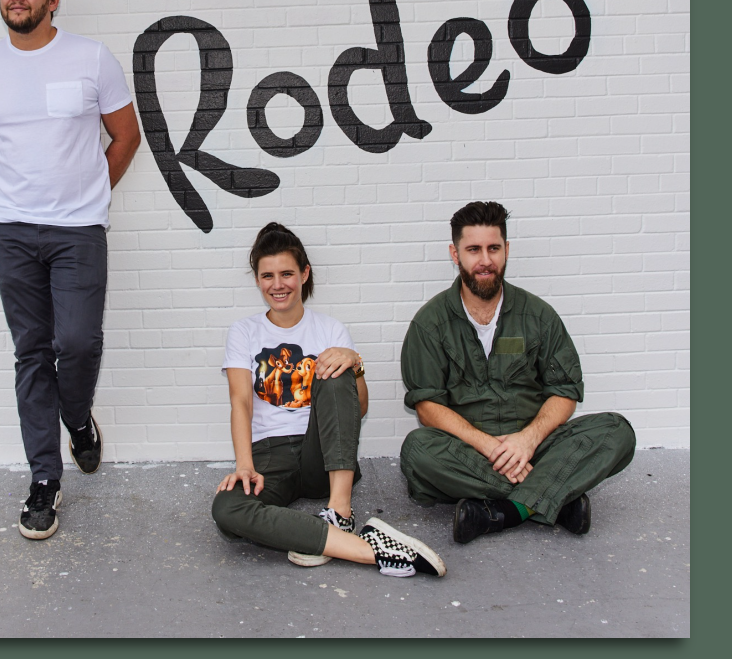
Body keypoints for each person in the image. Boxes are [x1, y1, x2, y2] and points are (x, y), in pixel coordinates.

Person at [0, 0, 141, 540]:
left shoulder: (91, 58)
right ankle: (44, 483)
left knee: (77, 343)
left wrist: (93, 192)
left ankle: (77, 419)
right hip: (11, 233)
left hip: (80, 230)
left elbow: (126, 134)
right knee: (32, 353)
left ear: (53, 0)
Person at [210, 223, 446, 578]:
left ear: (304, 274)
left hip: (320, 454)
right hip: (268, 456)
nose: (278, 285)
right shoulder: (244, 331)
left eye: (287, 273)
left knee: (337, 367)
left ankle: (340, 510)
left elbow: (358, 408)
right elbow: (240, 401)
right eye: (267, 275)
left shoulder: (330, 329)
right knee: (227, 512)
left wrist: (356, 363)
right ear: (257, 280)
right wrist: (245, 465)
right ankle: (367, 549)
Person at [399, 201, 637, 544]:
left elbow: (565, 391)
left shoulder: (539, 316)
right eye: (474, 250)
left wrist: (527, 441)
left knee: (617, 431)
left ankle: (504, 512)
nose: (485, 260)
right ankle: (556, 496)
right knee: (417, 451)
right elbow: (427, 407)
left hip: (535, 446)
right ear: (455, 254)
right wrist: (490, 447)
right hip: (469, 451)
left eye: (494, 248)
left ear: (506, 250)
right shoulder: (430, 323)